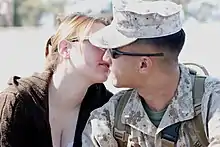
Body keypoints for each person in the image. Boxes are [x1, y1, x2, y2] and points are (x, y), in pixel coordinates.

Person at [82, 1, 220, 146]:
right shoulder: (108, 118)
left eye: (113, 52)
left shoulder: (212, 102)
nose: (105, 58)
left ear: (143, 64)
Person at [0, 13, 113, 147]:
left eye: (112, 48)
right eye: (100, 44)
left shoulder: (108, 106)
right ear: (65, 49)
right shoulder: (19, 101)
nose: (108, 55)